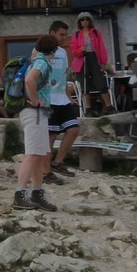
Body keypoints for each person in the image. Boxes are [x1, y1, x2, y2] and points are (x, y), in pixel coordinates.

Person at [14, 34, 59, 212]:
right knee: (33, 154)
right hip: (35, 112)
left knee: (39, 154)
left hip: (36, 113)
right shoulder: (41, 62)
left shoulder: (35, 57)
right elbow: (29, 79)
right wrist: (34, 100)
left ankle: (37, 193)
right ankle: (20, 194)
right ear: (54, 50)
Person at [45, 20, 80, 183]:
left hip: (62, 98)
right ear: (52, 33)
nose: (64, 38)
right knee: (51, 136)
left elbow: (63, 77)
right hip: (48, 100)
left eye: (66, 35)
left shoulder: (63, 52)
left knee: (73, 130)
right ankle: (46, 171)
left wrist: (69, 96)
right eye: (61, 34)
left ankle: (58, 162)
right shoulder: (40, 50)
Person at [70, 12, 112, 113]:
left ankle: (109, 106)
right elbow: (74, 51)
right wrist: (81, 49)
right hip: (82, 59)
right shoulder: (76, 34)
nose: (85, 22)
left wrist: (103, 62)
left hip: (94, 58)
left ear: (90, 21)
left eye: (87, 19)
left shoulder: (96, 32)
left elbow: (102, 48)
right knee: (85, 85)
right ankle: (88, 109)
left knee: (101, 83)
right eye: (83, 20)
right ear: (80, 22)